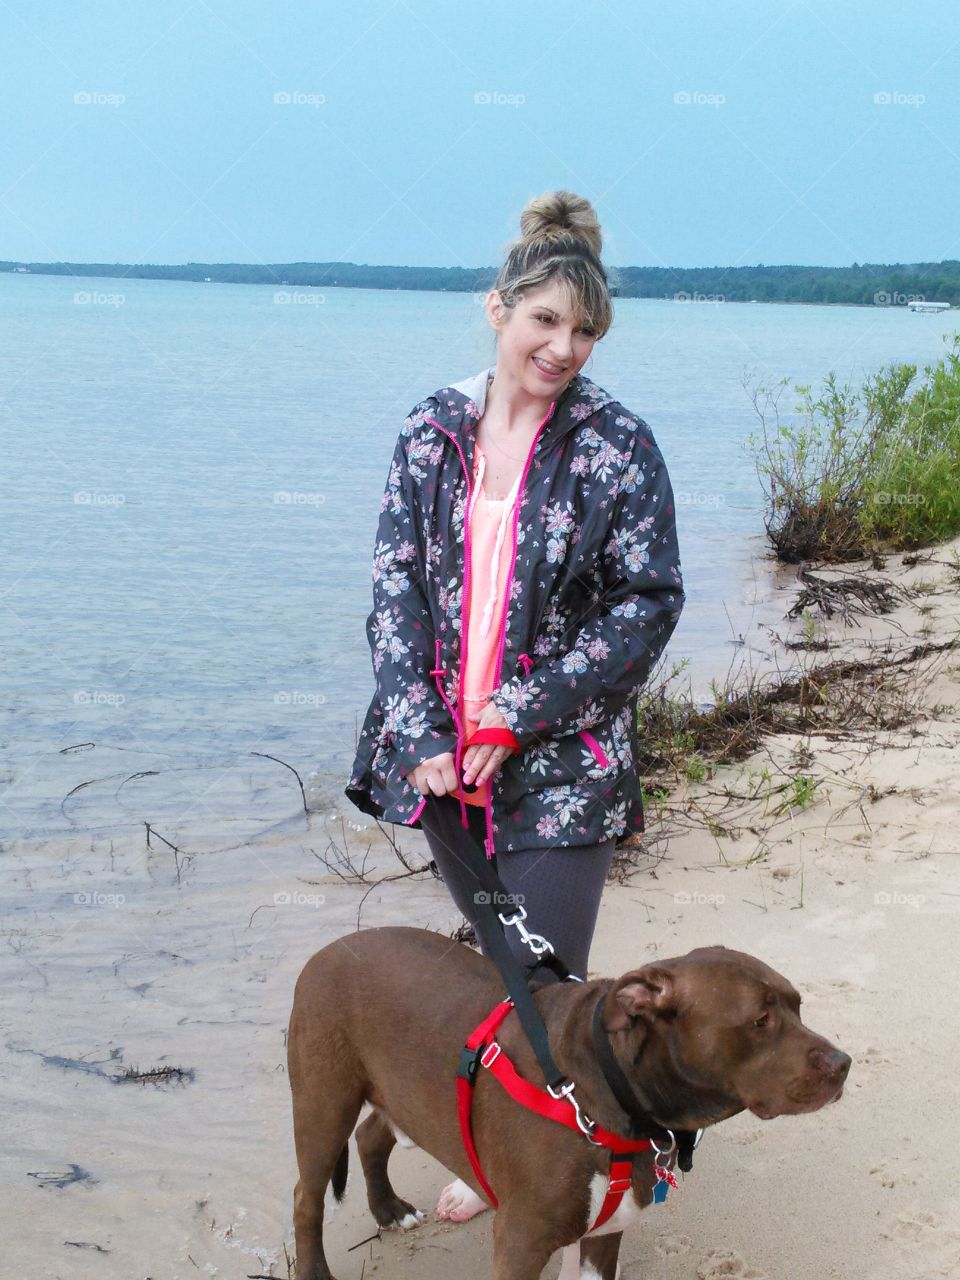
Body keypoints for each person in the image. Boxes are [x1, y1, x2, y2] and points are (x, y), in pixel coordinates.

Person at [345, 189, 685, 1221]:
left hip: (561, 765)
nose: (564, 346)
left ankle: (549, 1173)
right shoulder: (429, 428)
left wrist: (518, 710)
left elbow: (650, 600)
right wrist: (419, 730)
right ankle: (470, 1125)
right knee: (494, 969)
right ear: (497, 309)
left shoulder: (617, 443)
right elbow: (393, 581)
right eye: (545, 320)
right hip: (445, 763)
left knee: (551, 987)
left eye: (585, 330)